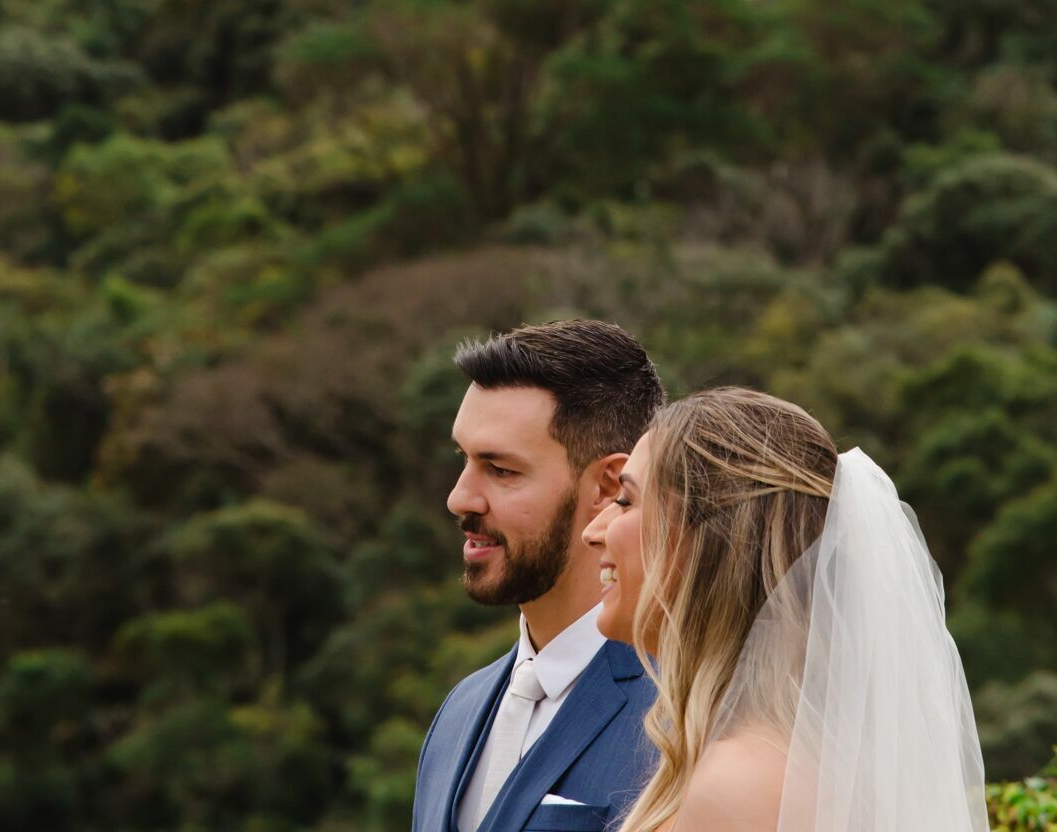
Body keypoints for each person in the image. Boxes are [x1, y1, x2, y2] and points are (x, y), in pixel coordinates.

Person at [583, 386, 988, 832]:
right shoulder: (785, 758)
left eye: (625, 500)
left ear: (711, 543)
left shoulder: (743, 785)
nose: (594, 531)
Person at [412, 319, 665, 832]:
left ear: (607, 484)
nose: (460, 498)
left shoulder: (685, 715)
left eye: (500, 469)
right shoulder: (457, 714)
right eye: (463, 459)